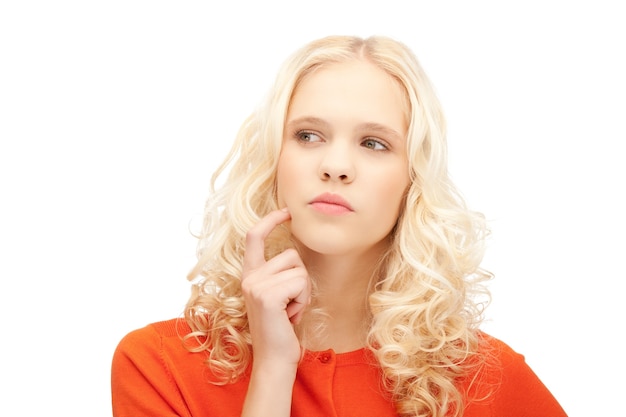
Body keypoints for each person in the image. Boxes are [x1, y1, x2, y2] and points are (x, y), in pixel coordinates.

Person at [111, 35, 567, 417]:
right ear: (274, 160)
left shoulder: (485, 379)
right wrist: (272, 370)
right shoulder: (160, 366)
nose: (335, 166)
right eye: (309, 135)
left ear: (414, 180)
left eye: (374, 143)